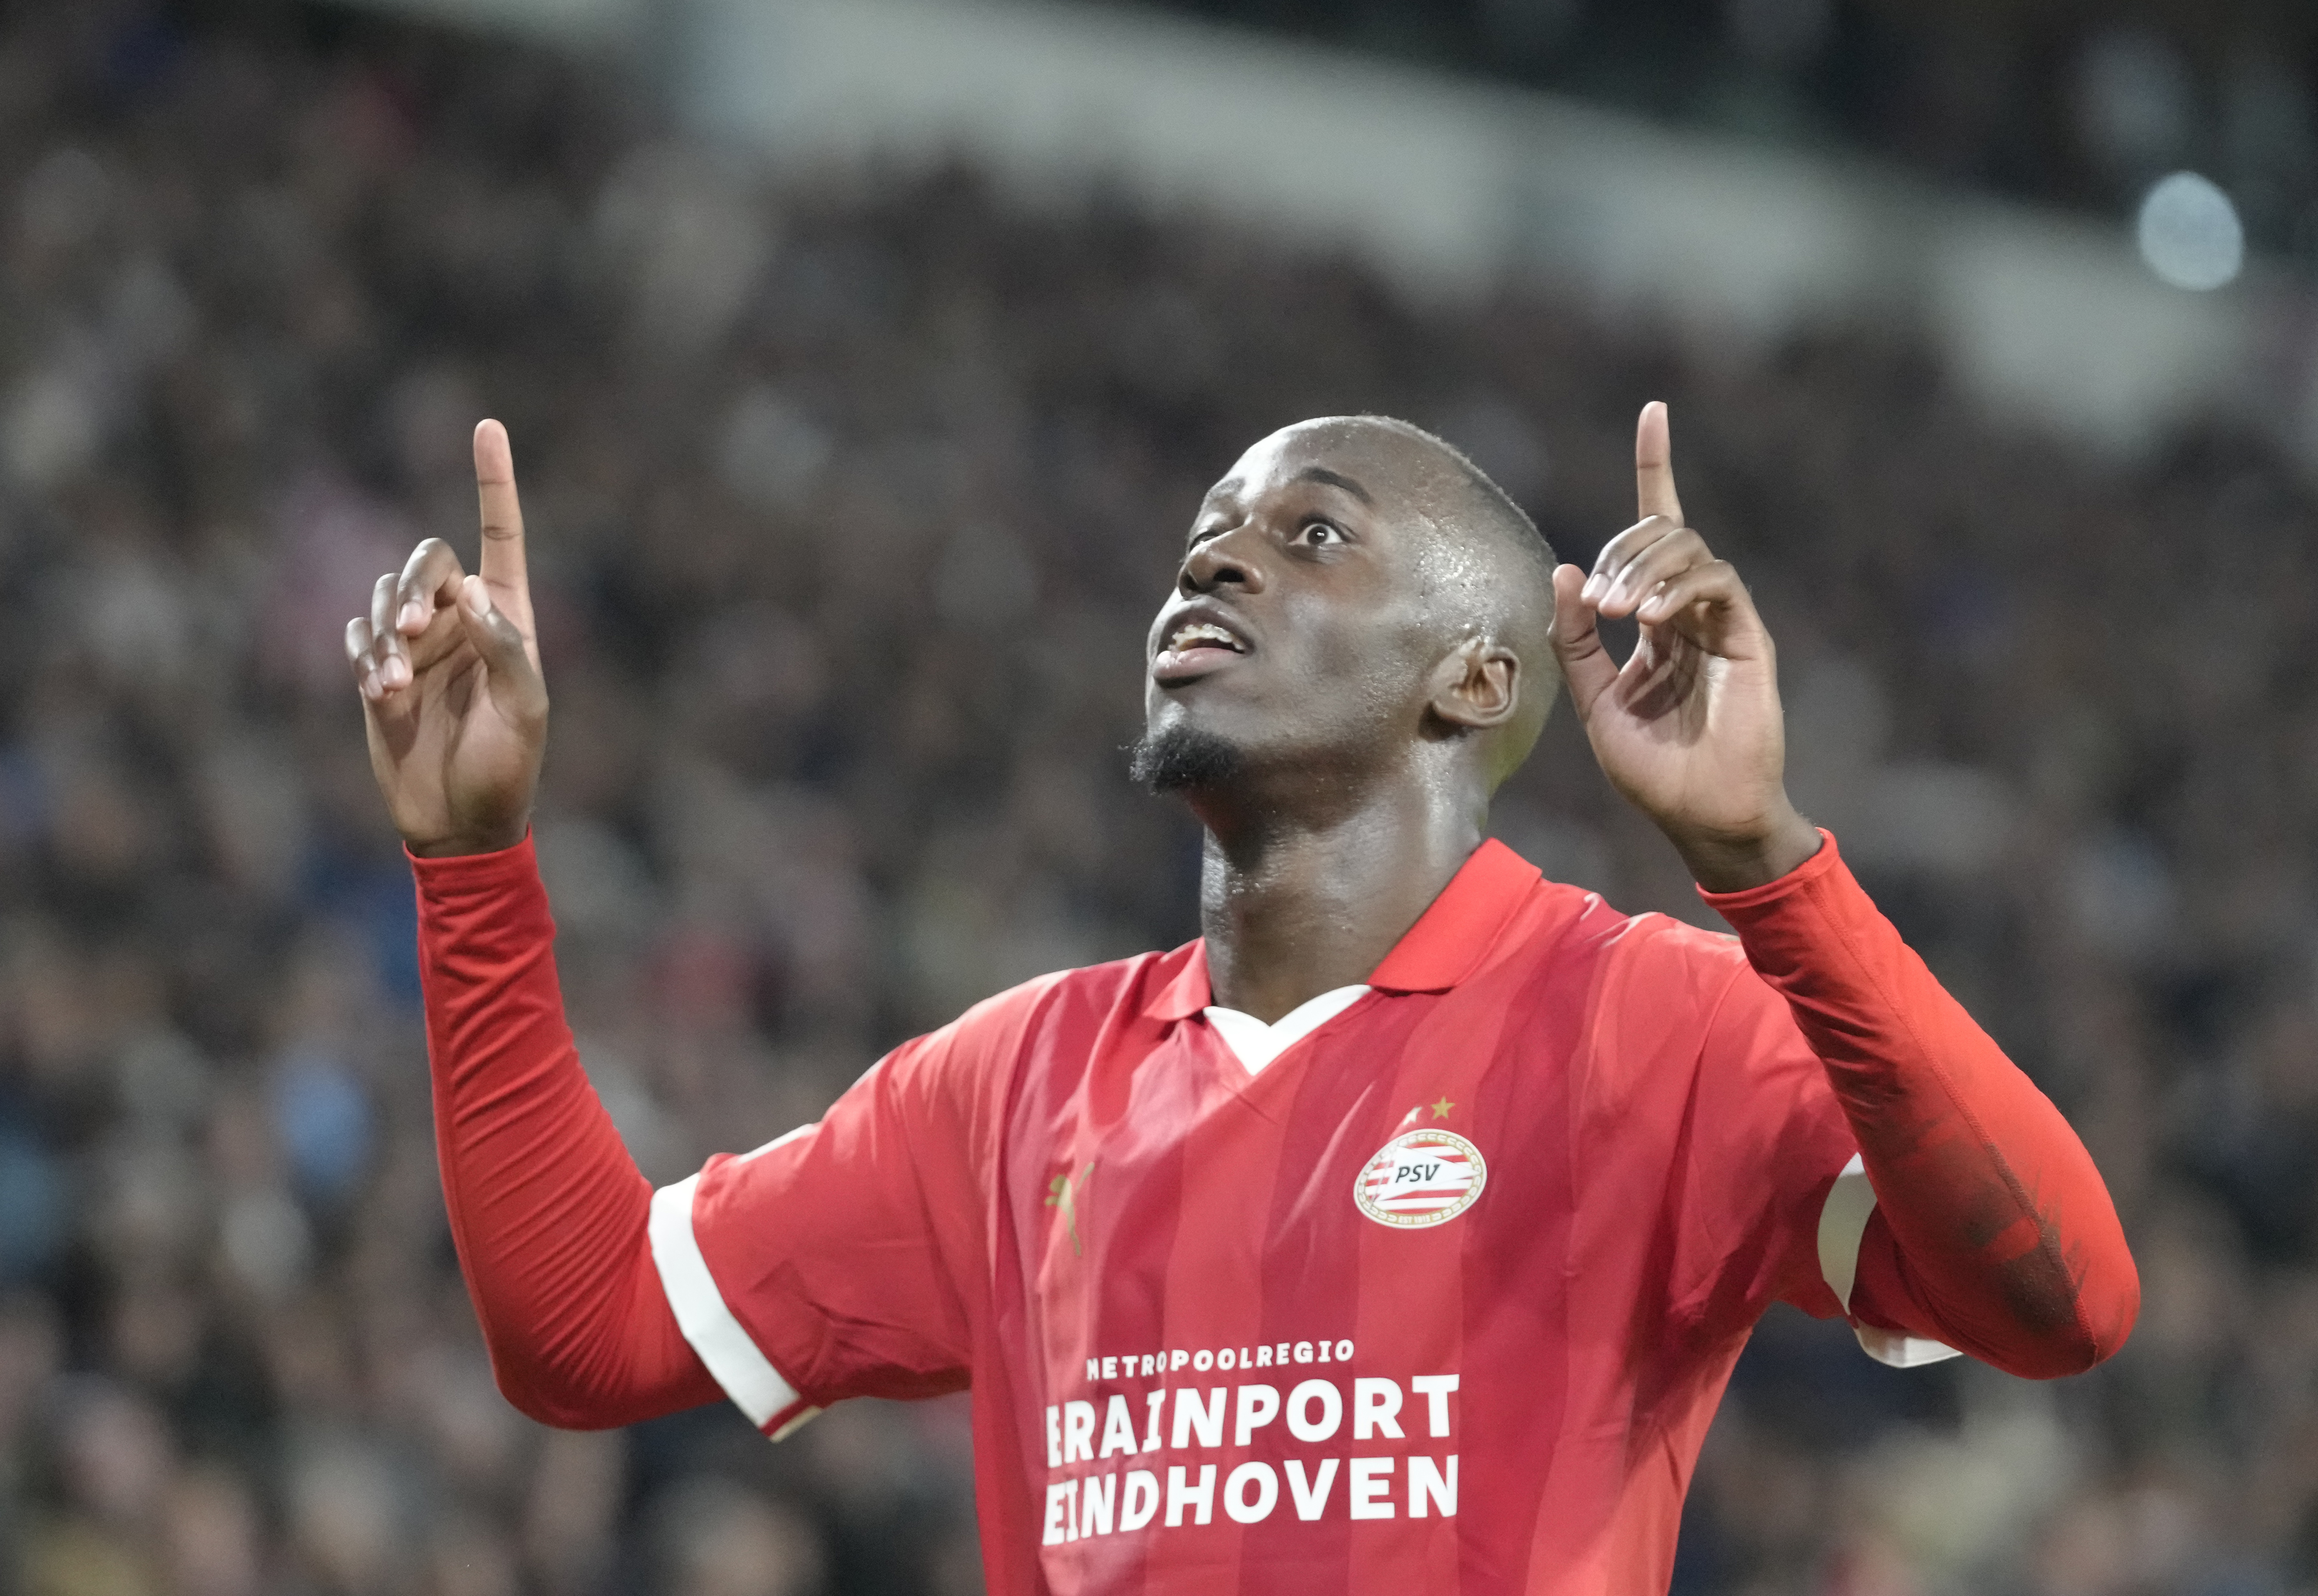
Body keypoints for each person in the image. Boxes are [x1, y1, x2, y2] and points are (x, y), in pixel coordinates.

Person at [344, 404, 2138, 1595]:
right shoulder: (1014, 1079)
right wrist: (473, 865)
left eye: (1313, 534)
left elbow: (2063, 1299)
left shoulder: (1649, 1022)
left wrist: (1769, 862)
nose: (1213, 561)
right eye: (1209, 532)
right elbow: (582, 1328)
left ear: (1477, 677)